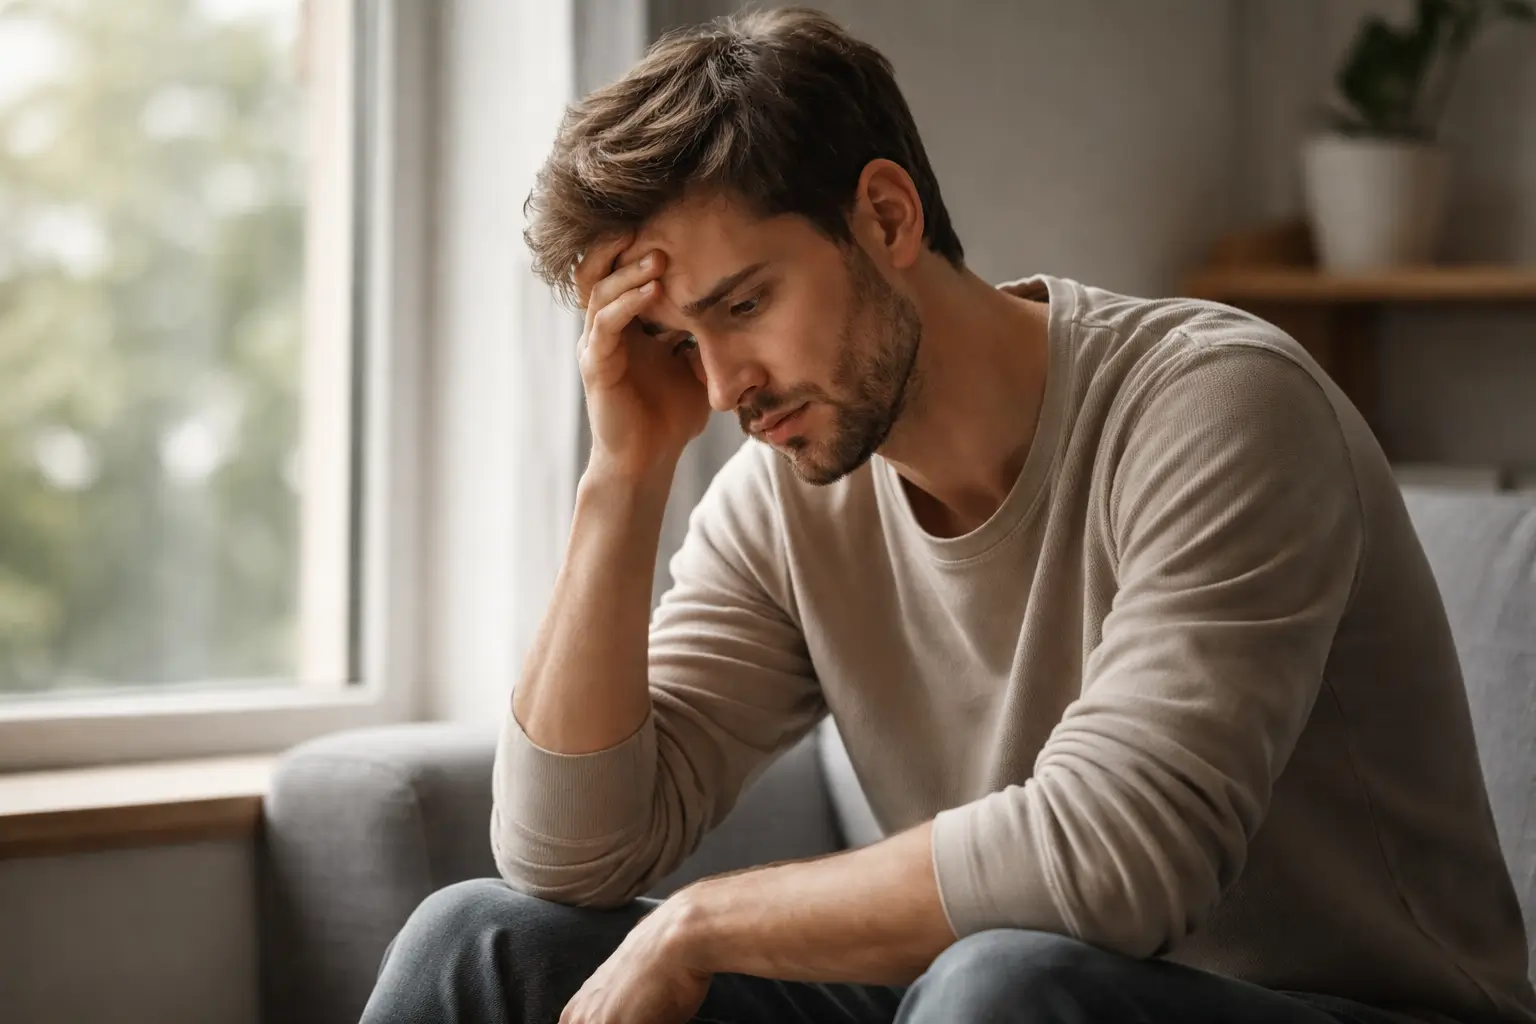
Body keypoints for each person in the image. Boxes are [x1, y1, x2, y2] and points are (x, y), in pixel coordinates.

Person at [360, 8, 1536, 1024]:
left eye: (745, 305)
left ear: (884, 215)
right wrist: (622, 476)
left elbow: (1116, 861)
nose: (722, 390)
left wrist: (700, 925)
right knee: (485, 941)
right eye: (678, 343)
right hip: (985, 995)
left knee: (1005, 986)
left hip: (1340, 1007)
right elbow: (565, 857)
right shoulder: (782, 494)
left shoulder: (1218, 403)